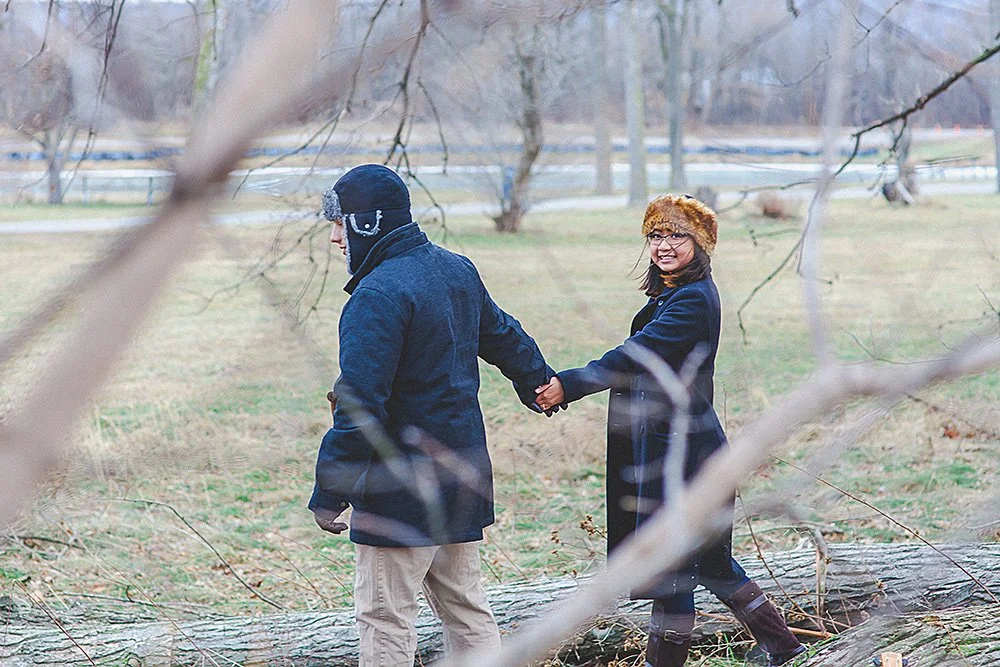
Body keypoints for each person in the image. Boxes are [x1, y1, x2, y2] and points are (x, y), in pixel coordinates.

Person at [534, 195, 805, 667]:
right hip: (681, 450)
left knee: (672, 571)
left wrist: (568, 385)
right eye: (656, 235)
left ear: (700, 244)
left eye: (677, 235)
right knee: (713, 564)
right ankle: (784, 647)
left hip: (683, 458)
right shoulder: (674, 295)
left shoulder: (692, 301)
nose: (663, 245)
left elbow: (635, 356)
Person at [309, 164, 556, 666]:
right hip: (460, 475)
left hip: (399, 487)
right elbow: (502, 334)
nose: (334, 238)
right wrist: (538, 379)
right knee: (466, 611)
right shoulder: (455, 268)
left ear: (367, 224)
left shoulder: (376, 295)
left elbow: (360, 405)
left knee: (385, 617)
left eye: (339, 224)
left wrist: (332, 489)